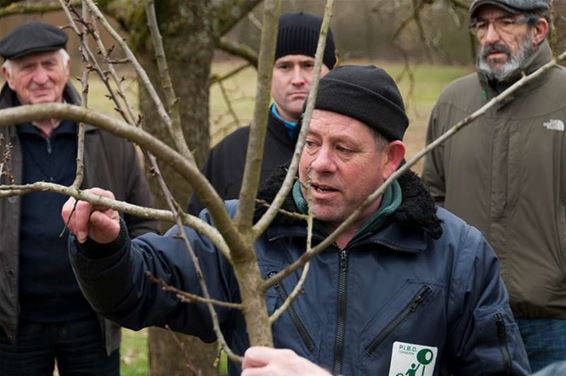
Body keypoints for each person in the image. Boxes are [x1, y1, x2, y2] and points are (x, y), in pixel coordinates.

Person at [63, 65, 530, 375]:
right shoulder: (245, 233)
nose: (318, 164)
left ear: (392, 160)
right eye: (310, 142)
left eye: (343, 148)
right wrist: (106, 247)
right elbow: (139, 292)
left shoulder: (458, 257)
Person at [0, 22, 158, 375]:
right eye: (28, 67)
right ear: (8, 77)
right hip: (13, 328)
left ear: (66, 68)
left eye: (49, 65)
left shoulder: (108, 137)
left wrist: (124, 279)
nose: (40, 77)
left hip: (93, 321)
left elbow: (144, 221)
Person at [421, 0, 566, 371]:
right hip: (467, 320)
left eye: (505, 23)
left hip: (553, 324)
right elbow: (431, 202)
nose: (491, 37)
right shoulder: (453, 103)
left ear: (539, 30)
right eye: (482, 26)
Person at [188, 11, 336, 215]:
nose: (297, 79)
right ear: (267, 74)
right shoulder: (230, 155)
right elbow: (198, 238)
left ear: (331, 71)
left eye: (309, 65)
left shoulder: (351, 149)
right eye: (284, 66)